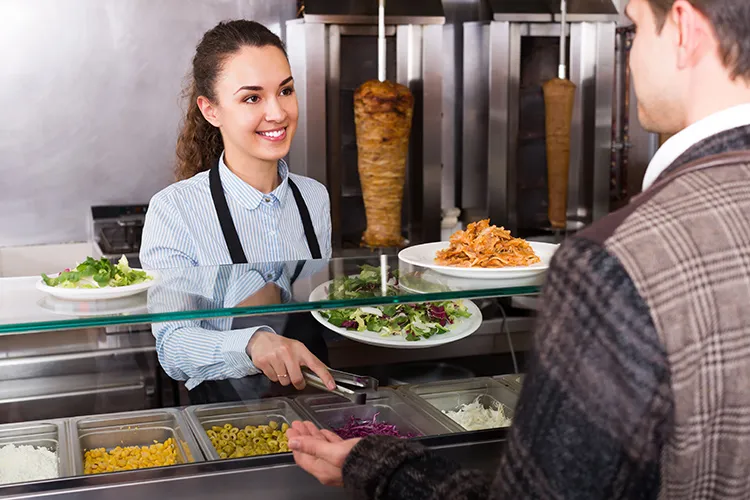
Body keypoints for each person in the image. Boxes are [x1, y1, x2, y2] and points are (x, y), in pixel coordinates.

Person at [287, 0, 750, 498]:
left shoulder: (615, 260)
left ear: (684, 29)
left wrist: (380, 468)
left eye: (635, 29)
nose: (631, 56)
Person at [140, 20, 335, 403]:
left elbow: (319, 307)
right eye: (252, 98)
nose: (278, 113)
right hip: (228, 419)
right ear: (211, 110)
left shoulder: (315, 199)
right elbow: (173, 346)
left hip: (313, 403)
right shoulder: (175, 210)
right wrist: (252, 344)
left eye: (286, 91)